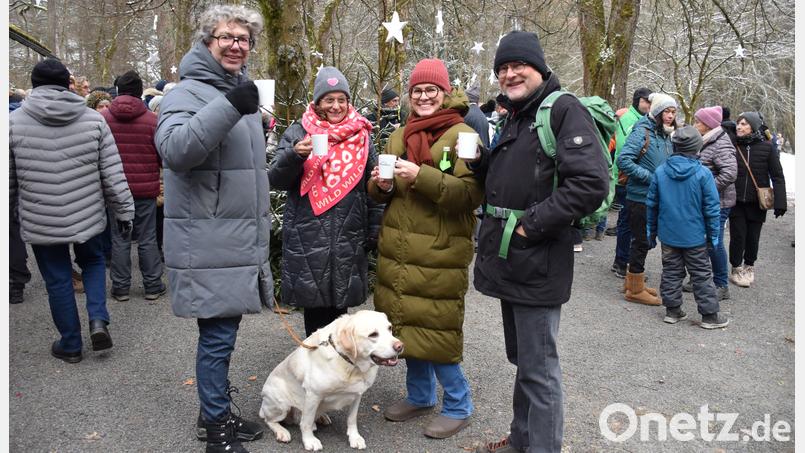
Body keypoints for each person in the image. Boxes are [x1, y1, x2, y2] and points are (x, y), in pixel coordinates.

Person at [472, 31, 610, 453]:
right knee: (525, 363)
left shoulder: (562, 109)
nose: (510, 74)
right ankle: (522, 439)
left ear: (539, 68)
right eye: (503, 69)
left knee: (540, 368)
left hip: (537, 261)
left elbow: (590, 183)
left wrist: (532, 224)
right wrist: (481, 163)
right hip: (511, 261)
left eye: (519, 66)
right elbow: (511, 182)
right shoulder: (516, 113)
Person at [154, 5, 273, 453]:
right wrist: (228, 107)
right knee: (218, 338)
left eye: (244, 39)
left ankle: (216, 412)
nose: (236, 45)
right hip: (208, 240)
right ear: (207, 41)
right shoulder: (188, 93)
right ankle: (216, 431)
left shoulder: (239, 92)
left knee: (224, 335)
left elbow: (244, 172)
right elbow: (176, 151)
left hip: (234, 239)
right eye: (227, 36)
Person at [368, 58, 483, 440]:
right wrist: (380, 186)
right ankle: (419, 395)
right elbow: (382, 191)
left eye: (431, 90)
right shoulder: (399, 134)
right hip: (399, 247)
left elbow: (470, 195)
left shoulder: (464, 134)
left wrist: (423, 176)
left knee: (436, 329)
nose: (423, 97)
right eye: (416, 90)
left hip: (440, 247)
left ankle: (458, 405)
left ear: (445, 92)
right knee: (406, 326)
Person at [10, 58, 134, 362]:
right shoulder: (94, 120)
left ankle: (70, 344)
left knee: (58, 280)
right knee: (92, 263)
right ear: (69, 84)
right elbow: (113, 175)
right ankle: (97, 319)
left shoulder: (12, 124)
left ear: (35, 85)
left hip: (41, 220)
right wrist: (125, 212)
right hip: (88, 215)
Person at [268, 66, 383, 336]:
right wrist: (295, 155)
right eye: (329, 100)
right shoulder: (299, 132)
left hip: (349, 235)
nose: (336, 106)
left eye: (341, 99)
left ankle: (337, 368)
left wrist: (374, 231)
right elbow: (276, 179)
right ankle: (317, 368)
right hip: (307, 235)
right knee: (315, 313)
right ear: (317, 103)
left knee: (340, 312)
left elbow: (373, 188)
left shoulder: (361, 136)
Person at [646, 126, 729, 329]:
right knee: (701, 274)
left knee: (671, 272)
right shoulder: (703, 174)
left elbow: (651, 204)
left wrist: (651, 231)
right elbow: (711, 208)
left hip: (668, 235)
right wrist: (713, 236)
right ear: (696, 148)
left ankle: (672, 311)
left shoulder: (660, 171)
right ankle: (709, 316)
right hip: (695, 236)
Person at [102, 70, 167, 302]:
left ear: (118, 90)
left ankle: (120, 288)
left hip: (115, 189)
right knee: (148, 237)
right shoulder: (153, 121)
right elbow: (162, 156)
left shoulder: (103, 119)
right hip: (145, 189)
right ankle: (152, 285)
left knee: (119, 239)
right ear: (140, 91)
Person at [617, 92, 677, 306]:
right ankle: (634, 290)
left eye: (673, 112)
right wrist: (651, 178)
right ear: (657, 112)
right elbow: (624, 160)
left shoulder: (664, 134)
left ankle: (633, 282)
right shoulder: (643, 131)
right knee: (641, 241)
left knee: (642, 240)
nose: (670, 115)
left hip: (653, 196)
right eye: (666, 111)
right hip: (639, 196)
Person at [683, 106, 736, 300]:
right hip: (703, 202)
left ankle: (721, 283)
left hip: (719, 203)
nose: (695, 124)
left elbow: (730, 173)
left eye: (698, 122)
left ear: (708, 124)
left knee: (714, 242)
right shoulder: (705, 140)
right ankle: (699, 278)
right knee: (699, 241)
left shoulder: (721, 143)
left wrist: (708, 189)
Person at [728, 112, 787, 288]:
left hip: (757, 202)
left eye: (744, 124)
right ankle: (736, 267)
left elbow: (777, 176)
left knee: (753, 237)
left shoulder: (767, 147)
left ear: (753, 127)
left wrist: (780, 202)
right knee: (738, 235)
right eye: (738, 123)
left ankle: (749, 266)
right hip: (736, 200)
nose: (739, 127)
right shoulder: (732, 144)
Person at [608, 88, 651, 278]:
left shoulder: (643, 120)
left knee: (630, 222)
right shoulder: (630, 120)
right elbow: (625, 154)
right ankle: (621, 263)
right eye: (646, 101)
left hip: (635, 180)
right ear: (637, 101)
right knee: (626, 222)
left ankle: (626, 262)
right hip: (627, 180)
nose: (649, 105)